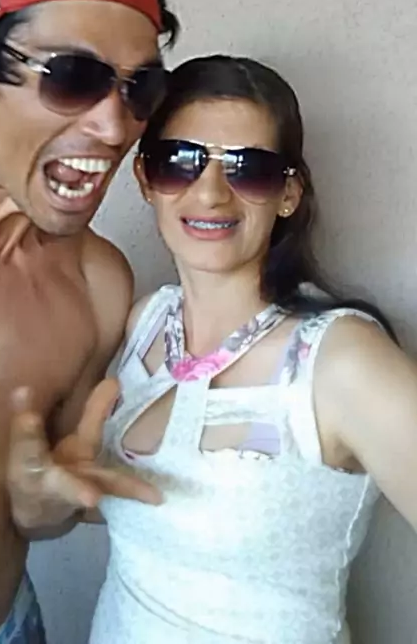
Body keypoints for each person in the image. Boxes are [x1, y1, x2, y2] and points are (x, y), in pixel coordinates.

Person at [81, 54, 415, 643]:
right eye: (179, 162)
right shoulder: (145, 324)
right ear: (145, 179)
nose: (211, 193)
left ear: (288, 193)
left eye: (249, 169)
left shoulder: (342, 361)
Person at [0, 0, 179, 644]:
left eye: (141, 90)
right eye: (73, 77)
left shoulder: (100, 282)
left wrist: (44, 506)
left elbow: (39, 507)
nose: (115, 127)